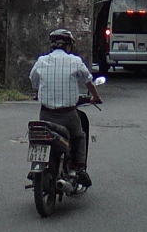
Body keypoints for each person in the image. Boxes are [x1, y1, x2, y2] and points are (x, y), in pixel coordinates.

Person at [30, 28, 102, 187]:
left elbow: (34, 80)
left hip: (46, 114)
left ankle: (37, 165)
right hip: (68, 115)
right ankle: (79, 169)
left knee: (40, 136)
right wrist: (95, 97)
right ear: (68, 45)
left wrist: (37, 92)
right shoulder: (75, 61)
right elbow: (88, 81)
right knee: (79, 137)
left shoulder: (41, 61)